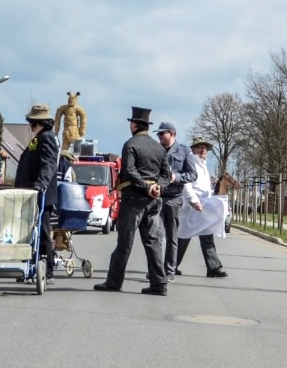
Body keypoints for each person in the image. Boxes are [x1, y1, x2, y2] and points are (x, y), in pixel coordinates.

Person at [94, 106, 172, 295]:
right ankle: (159, 284)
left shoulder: (131, 145)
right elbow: (166, 174)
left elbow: (129, 171)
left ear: (134, 125)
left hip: (134, 200)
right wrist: (157, 187)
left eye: (131, 123)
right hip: (153, 201)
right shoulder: (158, 148)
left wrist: (146, 187)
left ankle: (114, 282)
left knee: (125, 242)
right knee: (153, 243)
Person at [13, 103, 60, 277]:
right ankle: (32, 266)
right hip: (32, 193)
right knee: (33, 231)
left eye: (30, 122)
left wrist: (41, 185)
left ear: (35, 122)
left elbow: (49, 164)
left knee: (43, 231)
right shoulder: (40, 137)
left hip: (40, 194)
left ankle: (47, 269)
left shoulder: (46, 137)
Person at [175, 136, 227, 277]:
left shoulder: (203, 164)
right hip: (192, 206)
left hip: (203, 205)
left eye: (205, 147)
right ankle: (170, 265)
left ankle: (213, 267)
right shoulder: (190, 161)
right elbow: (186, 183)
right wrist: (193, 200)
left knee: (206, 235)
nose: (203, 149)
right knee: (183, 235)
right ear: (193, 148)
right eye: (200, 147)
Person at [155, 121, 199, 278]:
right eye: (158, 134)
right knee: (156, 235)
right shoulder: (156, 150)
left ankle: (170, 270)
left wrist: (177, 177)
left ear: (172, 133)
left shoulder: (184, 151)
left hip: (174, 198)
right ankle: (157, 270)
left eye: (162, 133)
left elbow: (193, 175)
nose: (159, 136)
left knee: (172, 236)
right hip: (158, 197)